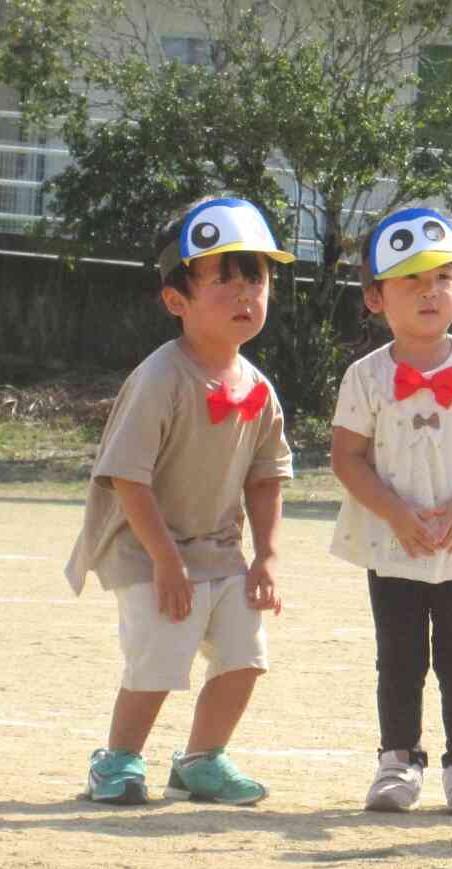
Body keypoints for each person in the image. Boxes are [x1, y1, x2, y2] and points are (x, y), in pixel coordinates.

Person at [66, 196, 295, 806]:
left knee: (245, 657)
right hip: (146, 549)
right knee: (160, 658)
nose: (246, 294)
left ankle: (202, 758)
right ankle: (115, 760)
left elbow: (267, 477)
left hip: (219, 549)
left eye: (257, 277)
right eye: (223, 280)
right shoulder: (161, 377)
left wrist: (267, 555)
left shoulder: (259, 387)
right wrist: (165, 561)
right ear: (176, 301)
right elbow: (127, 480)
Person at [328, 207, 452, 815]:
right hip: (395, 541)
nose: (427, 291)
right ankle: (398, 759)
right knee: (400, 654)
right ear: (374, 298)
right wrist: (394, 513)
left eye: (441, 277)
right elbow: (347, 457)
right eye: (409, 280)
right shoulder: (364, 378)